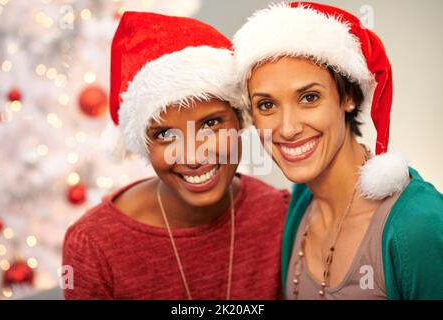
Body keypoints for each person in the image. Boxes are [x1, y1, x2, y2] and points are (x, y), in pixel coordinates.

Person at [62, 12, 290, 300]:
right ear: (143, 143)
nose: (193, 156)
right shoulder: (93, 244)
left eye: (210, 124)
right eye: (166, 135)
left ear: (240, 118)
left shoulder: (279, 215)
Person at [233, 2, 443, 299]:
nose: (288, 128)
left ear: (348, 97)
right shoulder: (301, 202)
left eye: (309, 97)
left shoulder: (418, 224)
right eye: (267, 105)